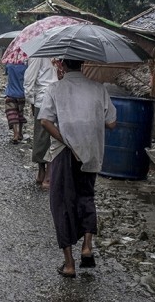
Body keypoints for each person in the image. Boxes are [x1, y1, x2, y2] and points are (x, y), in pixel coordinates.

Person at [39, 59, 117, 278]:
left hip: (65, 152)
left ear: (62, 65)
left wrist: (66, 138)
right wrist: (89, 121)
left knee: (62, 203)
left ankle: (69, 263)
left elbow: (45, 121)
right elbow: (111, 122)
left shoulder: (55, 88)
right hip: (91, 150)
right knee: (86, 196)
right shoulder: (98, 88)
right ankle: (87, 246)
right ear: (82, 64)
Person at [24, 57, 59, 186]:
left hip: (58, 98)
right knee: (42, 136)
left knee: (52, 135)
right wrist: (31, 101)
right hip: (44, 98)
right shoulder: (38, 55)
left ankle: (48, 172)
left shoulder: (58, 52)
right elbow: (29, 79)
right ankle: (43, 171)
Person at [4, 62, 27, 144]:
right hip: (21, 94)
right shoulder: (25, 67)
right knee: (20, 113)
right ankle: (20, 133)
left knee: (12, 114)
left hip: (10, 94)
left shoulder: (9, 66)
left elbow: (6, 73)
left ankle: (15, 134)